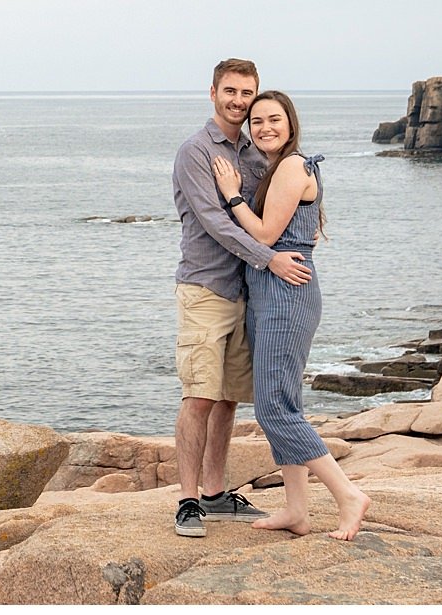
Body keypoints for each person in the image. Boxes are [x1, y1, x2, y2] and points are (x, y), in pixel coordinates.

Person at [211, 91, 371, 540]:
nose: (263, 127)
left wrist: (230, 195)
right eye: (256, 121)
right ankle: (297, 510)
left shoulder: (291, 166)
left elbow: (264, 232)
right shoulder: (279, 167)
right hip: (270, 289)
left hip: (287, 291)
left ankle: (347, 495)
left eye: (273, 119)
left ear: (291, 122)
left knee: (274, 408)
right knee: (285, 402)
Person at [171, 59, 314, 538]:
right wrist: (271, 259)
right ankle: (188, 501)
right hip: (206, 288)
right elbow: (217, 222)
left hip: (249, 293)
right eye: (229, 91)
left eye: (246, 93)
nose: (238, 101)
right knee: (200, 396)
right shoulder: (195, 152)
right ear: (212, 92)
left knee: (230, 398)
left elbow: (274, 214)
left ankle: (215, 493)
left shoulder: (256, 156)